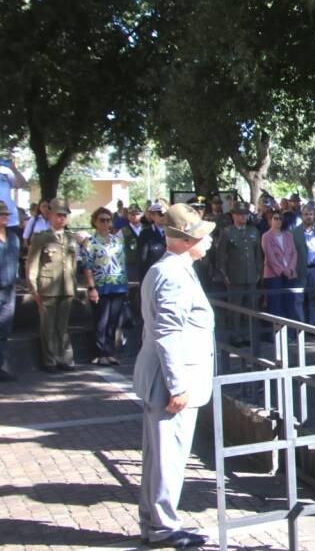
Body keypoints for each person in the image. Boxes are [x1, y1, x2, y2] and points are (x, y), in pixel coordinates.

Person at [133, 203, 215, 549]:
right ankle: (164, 526)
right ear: (184, 239)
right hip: (171, 385)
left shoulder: (170, 269)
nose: (208, 242)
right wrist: (178, 385)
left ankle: (155, 522)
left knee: (159, 457)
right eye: (202, 236)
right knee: (168, 458)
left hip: (164, 381)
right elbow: (168, 333)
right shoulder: (172, 274)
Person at [25, 200, 78, 373]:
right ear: (50, 215)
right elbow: (32, 265)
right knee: (47, 326)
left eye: (64, 215)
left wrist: (74, 286)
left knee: (62, 326)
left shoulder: (70, 238)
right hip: (47, 288)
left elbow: (73, 264)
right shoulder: (41, 237)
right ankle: (50, 361)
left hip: (66, 287)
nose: (62, 218)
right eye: (58, 214)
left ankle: (65, 358)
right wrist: (33, 288)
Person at [81, 207, 129, 365]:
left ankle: (109, 352)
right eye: (102, 220)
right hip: (101, 286)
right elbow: (87, 266)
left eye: (108, 220)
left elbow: (123, 264)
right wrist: (91, 287)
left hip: (118, 286)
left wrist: (125, 284)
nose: (106, 223)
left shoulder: (118, 241)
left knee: (113, 321)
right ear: (95, 221)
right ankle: (100, 352)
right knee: (101, 320)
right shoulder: (90, 242)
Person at [217, 201, 263, 345]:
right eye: (240, 215)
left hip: (251, 275)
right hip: (234, 276)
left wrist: (258, 272)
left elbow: (258, 254)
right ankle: (236, 336)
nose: (243, 217)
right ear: (233, 215)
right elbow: (220, 255)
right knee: (235, 309)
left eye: (245, 215)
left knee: (252, 307)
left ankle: (250, 335)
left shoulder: (253, 231)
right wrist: (224, 274)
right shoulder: (227, 232)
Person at [291, 203, 315, 326]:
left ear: (314, 216)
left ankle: (313, 326)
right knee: (298, 299)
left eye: (311, 214)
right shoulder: (294, 233)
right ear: (302, 215)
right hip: (300, 270)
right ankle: (300, 326)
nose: (308, 217)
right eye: (306, 214)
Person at [261, 210, 297, 318]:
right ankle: (276, 333)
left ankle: (290, 333)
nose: (278, 221)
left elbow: (294, 253)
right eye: (275, 218)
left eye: (280, 218)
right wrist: (282, 270)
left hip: (290, 275)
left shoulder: (289, 235)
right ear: (270, 220)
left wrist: (290, 269)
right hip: (273, 276)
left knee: (289, 304)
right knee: (276, 307)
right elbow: (270, 257)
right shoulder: (266, 236)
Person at [0, 201, 20, 381]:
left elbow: (17, 260)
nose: (5, 217)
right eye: (1, 214)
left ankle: (2, 366)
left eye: (6, 214)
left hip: (9, 289)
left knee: (4, 329)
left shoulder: (13, 237)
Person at [139, 201, 168, 280]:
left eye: (166, 214)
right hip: (153, 277)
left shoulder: (172, 233)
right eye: (161, 214)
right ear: (152, 215)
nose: (164, 216)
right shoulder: (146, 234)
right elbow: (142, 260)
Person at [0, 156, 27, 233]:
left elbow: (21, 184)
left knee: (13, 245)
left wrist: (14, 169)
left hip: (11, 220)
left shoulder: (5, 175)